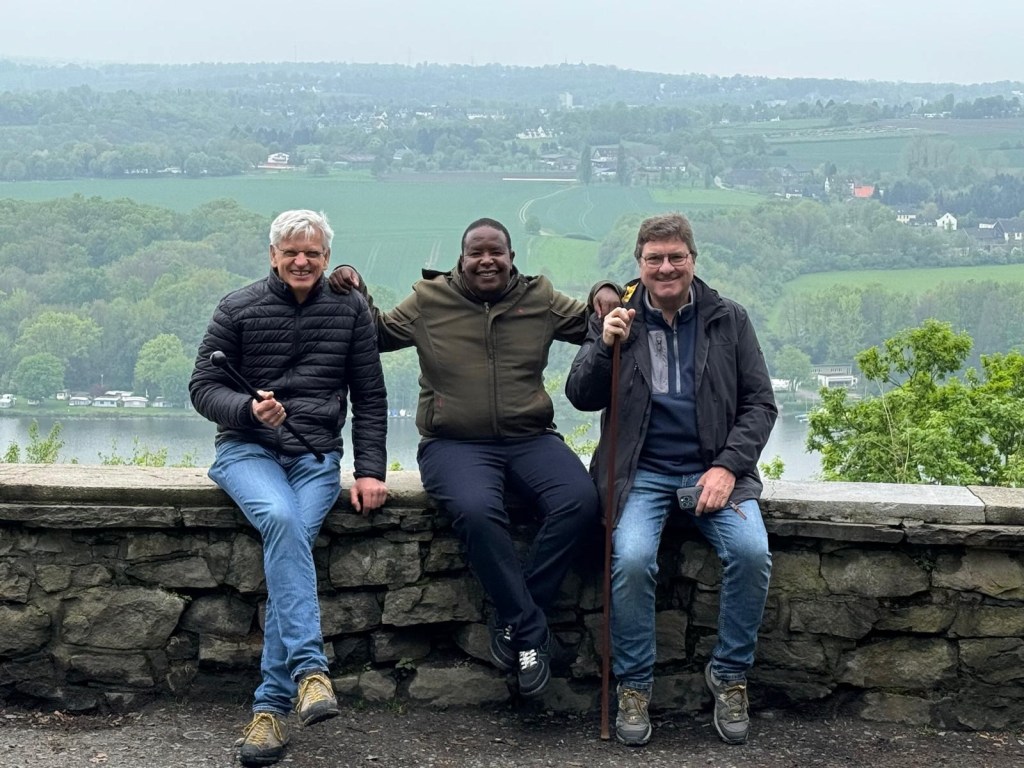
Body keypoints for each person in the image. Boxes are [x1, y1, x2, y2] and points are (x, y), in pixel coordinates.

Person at [329, 217, 618, 698]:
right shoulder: (429, 300)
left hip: (531, 437)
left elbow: (595, 319)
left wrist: (603, 289)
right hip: (452, 444)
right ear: (460, 260)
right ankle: (531, 631)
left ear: (511, 257)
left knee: (580, 502)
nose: (487, 260)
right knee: (477, 511)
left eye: (496, 252)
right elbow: (376, 334)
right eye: (476, 253)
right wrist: (353, 287)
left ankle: (515, 617)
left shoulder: (540, 297)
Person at [565, 213, 776, 747]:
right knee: (633, 560)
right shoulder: (617, 316)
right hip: (640, 474)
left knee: (751, 553)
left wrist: (727, 467)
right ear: (639, 263)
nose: (666, 268)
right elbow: (581, 396)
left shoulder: (728, 318)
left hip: (715, 470)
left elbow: (760, 404)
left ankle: (729, 674)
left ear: (692, 260)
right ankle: (634, 685)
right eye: (654, 258)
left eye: (676, 257)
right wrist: (602, 347)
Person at [189, 209, 388, 767]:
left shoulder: (349, 309)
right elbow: (202, 387)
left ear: (327, 258)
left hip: (315, 458)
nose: (302, 261)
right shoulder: (237, 307)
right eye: (292, 252)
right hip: (246, 451)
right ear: (273, 255)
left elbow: (370, 396)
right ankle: (310, 671)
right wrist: (248, 411)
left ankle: (269, 714)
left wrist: (370, 470)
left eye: (313, 253)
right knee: (283, 522)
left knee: (287, 541)